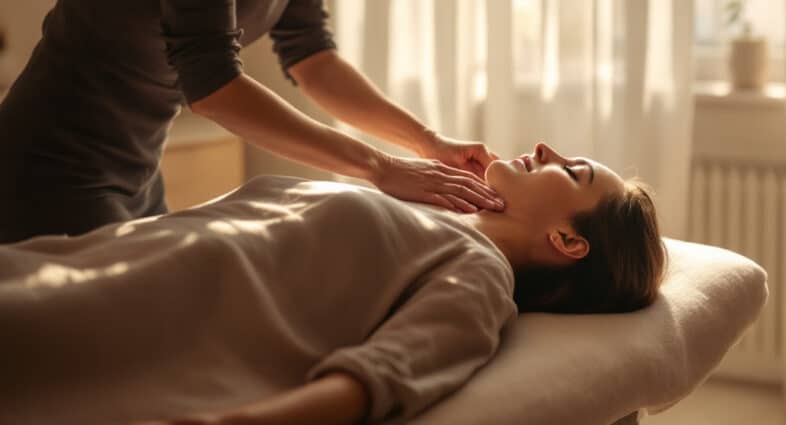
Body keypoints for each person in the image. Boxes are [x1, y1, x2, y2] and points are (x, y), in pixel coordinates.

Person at [0, 0, 504, 244]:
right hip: (48, 170)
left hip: (138, 174)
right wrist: (379, 167)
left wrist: (427, 144)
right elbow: (212, 83)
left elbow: (312, 56)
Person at [0, 143, 667, 425]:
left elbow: (379, 378)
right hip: (108, 254)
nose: (547, 149)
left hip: (137, 313)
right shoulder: (432, 216)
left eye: (574, 171)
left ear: (568, 242)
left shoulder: (480, 276)